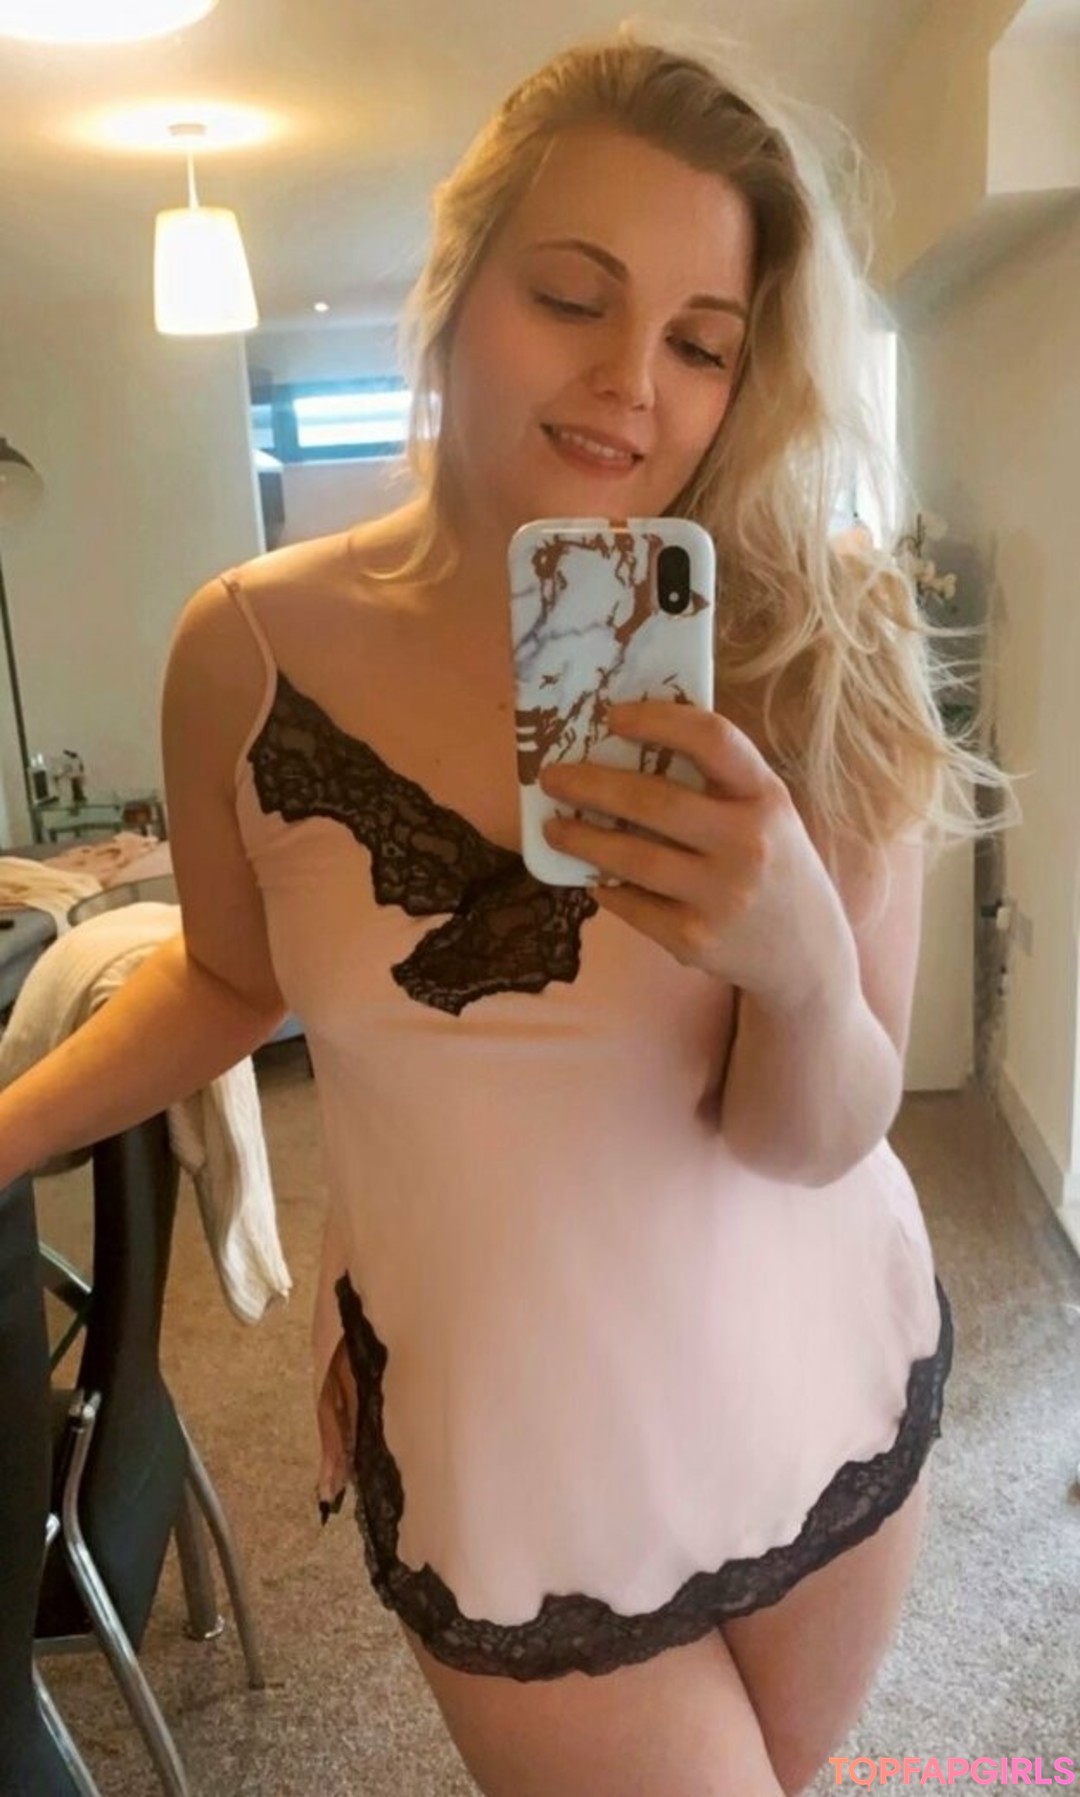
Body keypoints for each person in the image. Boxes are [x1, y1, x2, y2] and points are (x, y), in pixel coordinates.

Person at [0, 26, 1017, 1797]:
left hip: (822, 1367)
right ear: (459, 284)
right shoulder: (247, 651)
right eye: (571, 297)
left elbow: (821, 1132)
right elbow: (230, 977)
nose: (633, 383)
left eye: (702, 342)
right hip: (517, 1460)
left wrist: (794, 961)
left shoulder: (815, 631)